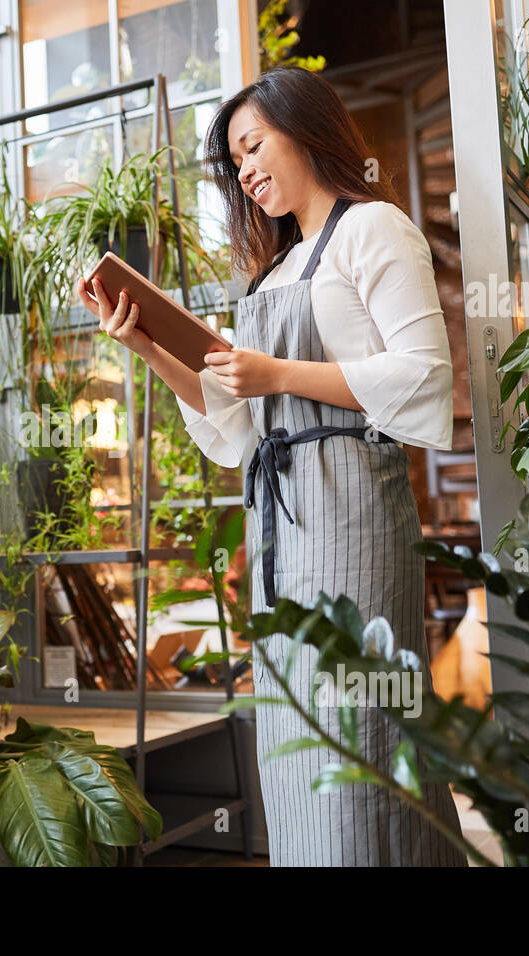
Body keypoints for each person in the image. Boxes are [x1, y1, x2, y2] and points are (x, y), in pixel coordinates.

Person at [75, 66, 468, 866]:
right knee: (295, 745)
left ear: (308, 128)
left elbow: (425, 376)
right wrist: (145, 343)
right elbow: (237, 427)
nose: (246, 170)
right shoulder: (273, 272)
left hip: (354, 511)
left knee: (359, 735)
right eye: (235, 161)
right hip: (283, 527)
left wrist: (277, 373)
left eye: (254, 146)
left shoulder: (374, 229)